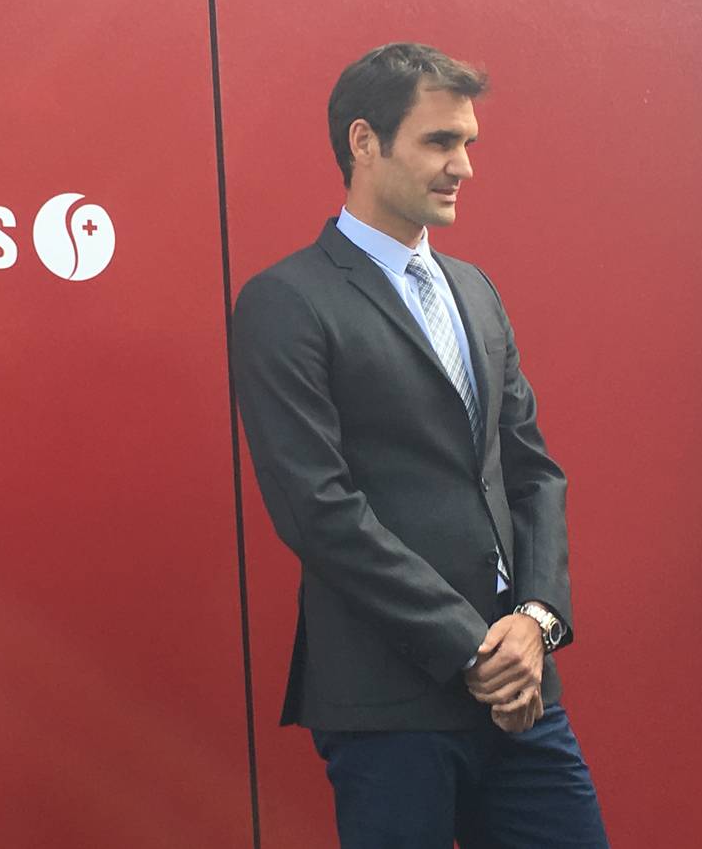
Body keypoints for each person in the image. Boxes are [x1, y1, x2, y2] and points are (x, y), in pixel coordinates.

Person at [231, 43, 608, 848]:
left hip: (521, 690)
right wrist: (471, 647)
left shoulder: (475, 290)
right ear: (364, 142)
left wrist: (534, 621)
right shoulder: (285, 301)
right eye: (439, 141)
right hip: (390, 701)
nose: (462, 165)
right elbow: (317, 508)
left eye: (466, 142)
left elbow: (531, 473)